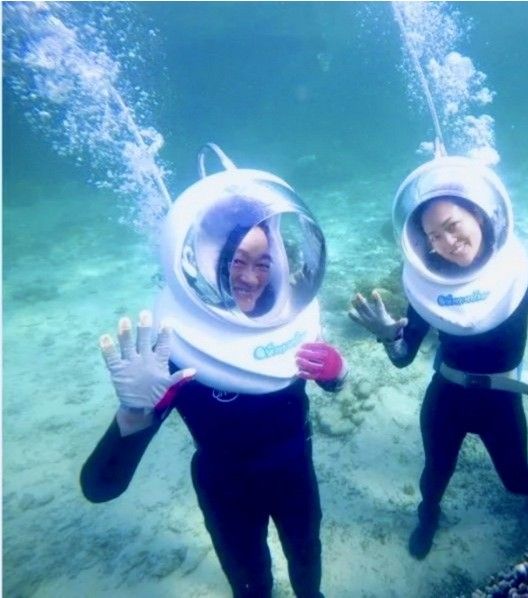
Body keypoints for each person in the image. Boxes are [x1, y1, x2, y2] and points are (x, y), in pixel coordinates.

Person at [80, 144, 345, 598]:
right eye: (236, 261)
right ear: (210, 262)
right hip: (225, 489)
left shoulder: (289, 318)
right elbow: (100, 487)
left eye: (263, 263)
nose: (251, 277)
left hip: (296, 471)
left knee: (307, 558)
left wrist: (338, 374)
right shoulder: (179, 348)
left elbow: (333, 387)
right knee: (251, 585)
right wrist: (132, 414)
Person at [349, 154, 528, 559]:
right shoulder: (427, 287)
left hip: (501, 400)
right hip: (447, 397)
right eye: (433, 236)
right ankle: (428, 515)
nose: (447, 243)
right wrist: (389, 336)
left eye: (452, 225)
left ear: (478, 214)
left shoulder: (527, 275)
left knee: (516, 478)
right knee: (436, 474)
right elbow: (404, 358)